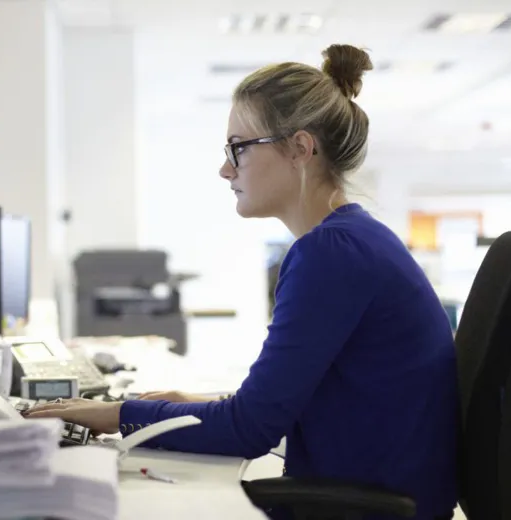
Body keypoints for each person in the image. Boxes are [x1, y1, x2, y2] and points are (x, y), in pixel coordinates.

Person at [26, 44, 459, 520]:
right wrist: (197, 403)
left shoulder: (331, 253)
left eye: (239, 148)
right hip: (375, 495)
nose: (226, 168)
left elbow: (248, 430)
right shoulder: (354, 239)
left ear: (300, 149)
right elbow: (286, 403)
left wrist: (117, 413)